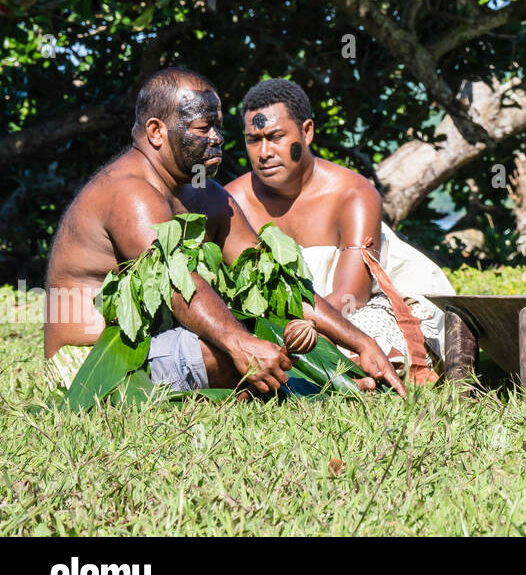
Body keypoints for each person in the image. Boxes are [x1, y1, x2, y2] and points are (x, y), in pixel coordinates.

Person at [44, 68, 403, 395]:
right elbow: (176, 284)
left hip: (162, 343)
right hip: (94, 363)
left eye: (217, 126)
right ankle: (332, 386)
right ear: (156, 132)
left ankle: (339, 379)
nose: (216, 139)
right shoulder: (129, 193)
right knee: (250, 355)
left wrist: (361, 342)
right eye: (203, 128)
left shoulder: (206, 195)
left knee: (269, 332)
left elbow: (274, 283)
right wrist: (240, 345)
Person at [227, 79, 453, 383]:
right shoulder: (231, 203)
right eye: (254, 140)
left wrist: (302, 329)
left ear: (306, 132)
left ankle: (342, 377)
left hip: (359, 306)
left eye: (276, 136)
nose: (264, 152)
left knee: (377, 334)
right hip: (285, 323)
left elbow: (353, 294)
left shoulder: (352, 193)